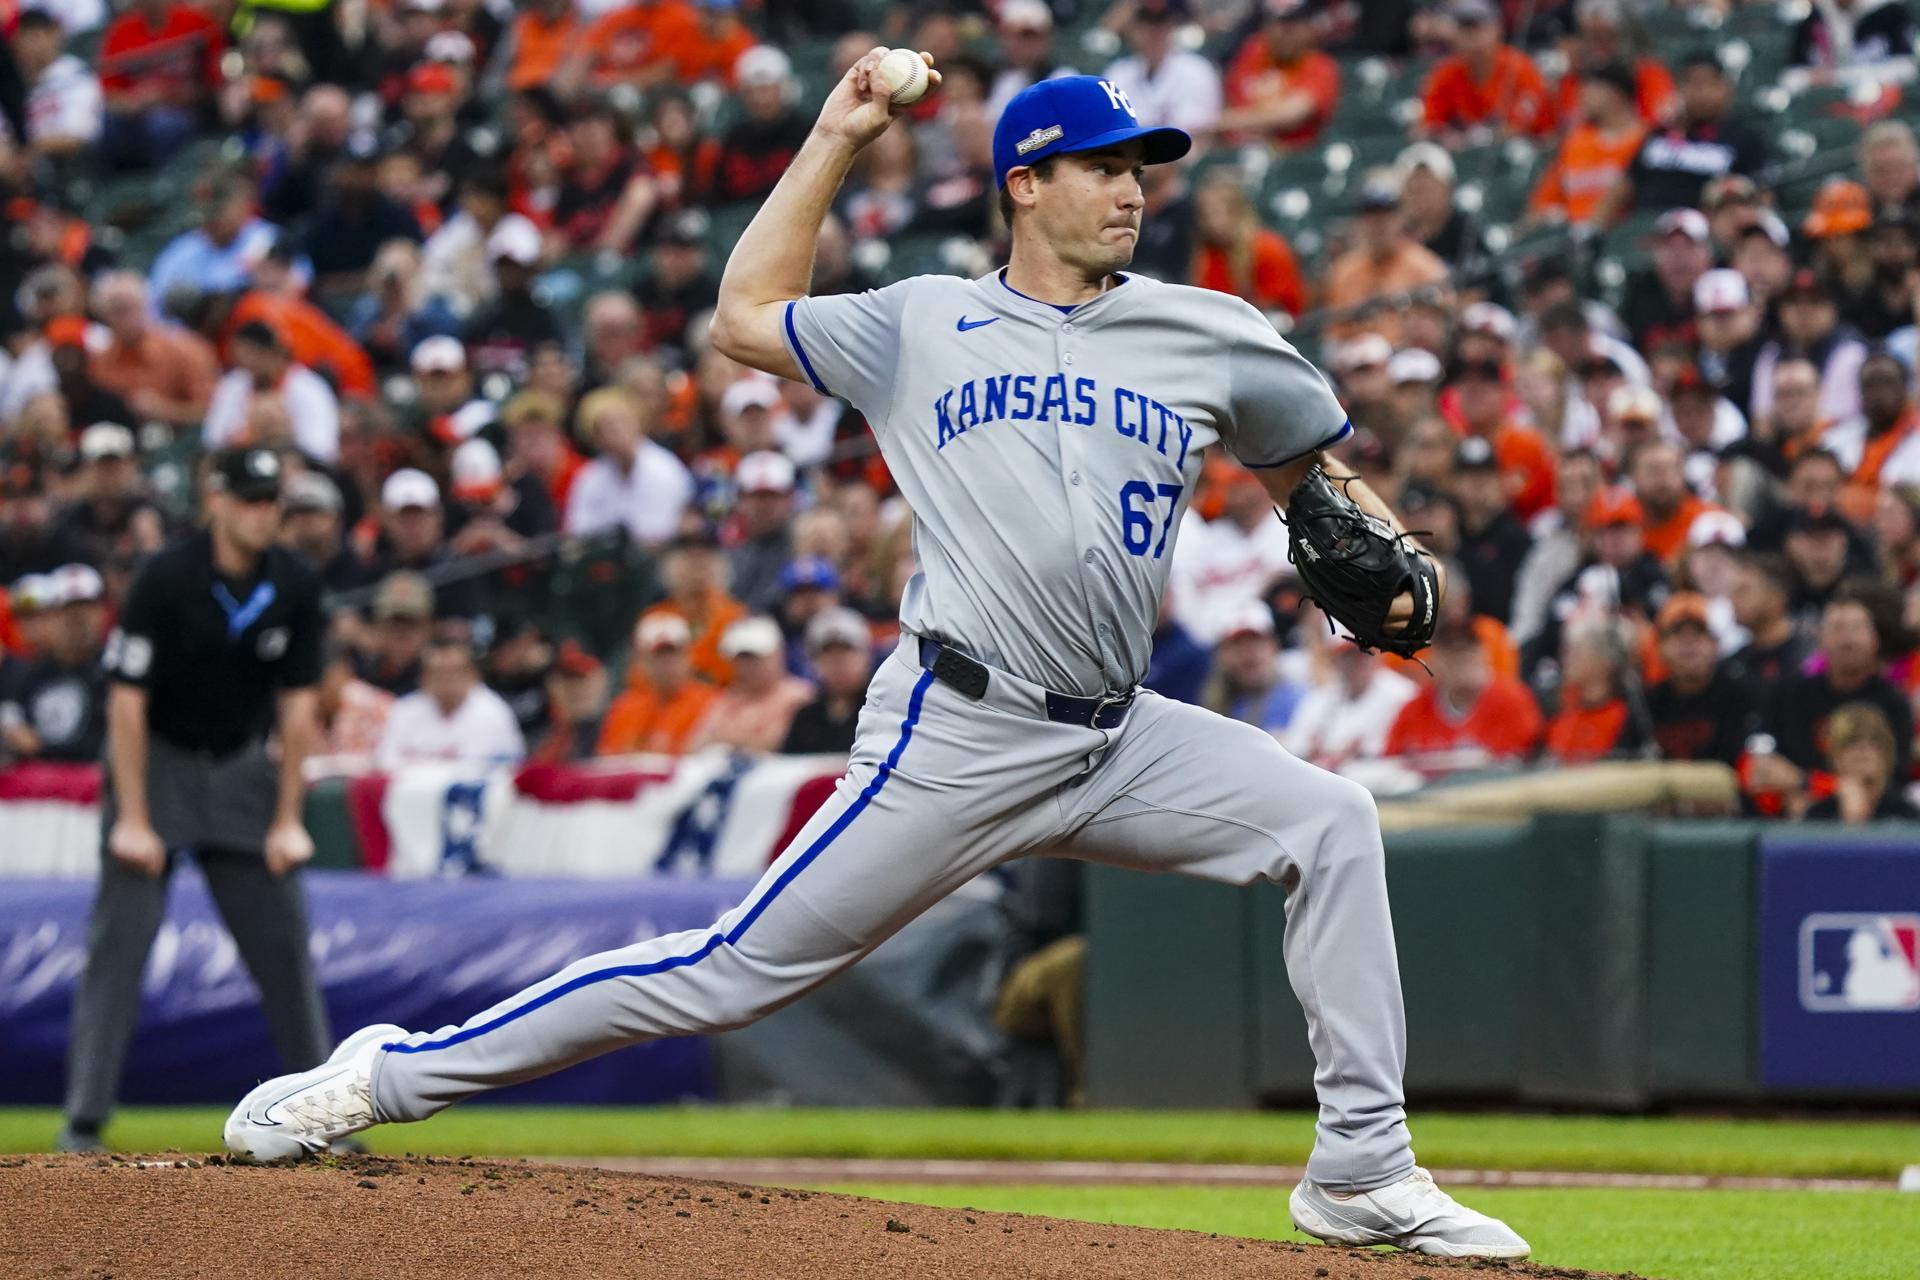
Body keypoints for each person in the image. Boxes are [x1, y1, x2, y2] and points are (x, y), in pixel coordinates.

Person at [224, 63, 1529, 1263]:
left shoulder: (1210, 331)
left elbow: (1316, 478)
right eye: (1105, 164)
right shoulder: (922, 321)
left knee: (1334, 820)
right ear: (1027, 181)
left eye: (1144, 168)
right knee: (728, 973)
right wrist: (840, 136)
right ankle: (385, 1076)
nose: (1133, 189)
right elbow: (745, 315)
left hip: (1119, 735)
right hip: (955, 733)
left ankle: (1362, 1165)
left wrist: (1371, 531)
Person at [65, 449, 332, 1153]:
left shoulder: (295, 584)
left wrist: (287, 820)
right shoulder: (166, 577)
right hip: (157, 761)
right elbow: (126, 704)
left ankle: (329, 1114)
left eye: (270, 499)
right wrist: (134, 818)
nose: (261, 512)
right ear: (215, 501)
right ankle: (83, 1120)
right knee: (118, 945)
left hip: (242, 766)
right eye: (247, 498)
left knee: (285, 947)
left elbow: (298, 708)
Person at [0, 563, 108, 763]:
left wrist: (40, 747)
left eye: (86, 609)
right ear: (51, 617)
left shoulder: (111, 672)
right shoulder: (28, 675)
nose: (78, 621)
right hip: (34, 789)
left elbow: (103, 743)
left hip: (92, 786)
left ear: (102, 612)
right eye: (69, 612)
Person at [563, 386, 696, 547]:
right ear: (595, 437)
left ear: (637, 423)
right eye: (605, 428)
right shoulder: (590, 476)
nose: (616, 432)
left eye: (621, 423)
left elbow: (660, 532)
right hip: (604, 560)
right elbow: (578, 530)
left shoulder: (664, 469)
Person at [374, 634, 526, 770]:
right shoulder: (405, 710)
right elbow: (385, 763)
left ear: (473, 674)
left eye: (454, 672)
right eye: (437, 672)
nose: (446, 680)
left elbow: (498, 769)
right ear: (423, 678)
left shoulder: (493, 712)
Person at [1418, 0, 1556, 143]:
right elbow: (1427, 126)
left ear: (1497, 29)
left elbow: (1525, 129)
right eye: (1465, 30)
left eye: (1478, 28)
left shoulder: (1520, 69)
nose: (1472, 37)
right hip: (1468, 155)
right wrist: (1443, 136)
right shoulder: (1445, 72)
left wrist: (1471, 139)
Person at [1216, 0, 1339, 150]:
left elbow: (1290, 116)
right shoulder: (1254, 51)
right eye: (1278, 25)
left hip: (1290, 158)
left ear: (1308, 28)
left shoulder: (1320, 66)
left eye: (1291, 27)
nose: (1284, 34)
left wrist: (1218, 122)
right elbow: (1230, 98)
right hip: (1237, 151)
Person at [597, 612, 720, 758]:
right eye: (658, 657)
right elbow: (607, 758)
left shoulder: (712, 704)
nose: (667, 665)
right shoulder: (624, 706)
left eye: (674, 655)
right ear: (641, 660)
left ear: (689, 657)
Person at [684, 615, 814, 753]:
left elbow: (777, 744)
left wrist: (723, 740)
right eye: (741, 659)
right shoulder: (727, 699)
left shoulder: (798, 696)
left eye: (755, 658)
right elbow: (692, 747)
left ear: (778, 654)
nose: (747, 666)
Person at [1645, 593, 1748, 765]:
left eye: (1699, 633)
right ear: (1661, 647)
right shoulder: (1649, 703)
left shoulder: (1740, 695)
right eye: (1677, 634)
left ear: (1716, 645)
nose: (1688, 642)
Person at [1283, 636, 1417, 769]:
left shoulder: (1401, 693)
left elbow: (1391, 754)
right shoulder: (1321, 696)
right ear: (1335, 661)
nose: (1358, 662)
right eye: (1350, 655)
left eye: (1365, 653)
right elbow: (1295, 747)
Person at [779, 607, 875, 754]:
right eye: (828, 656)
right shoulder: (806, 717)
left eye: (846, 654)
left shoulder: (884, 712)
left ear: (866, 656)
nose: (838, 665)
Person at [1802, 701, 1920, 821]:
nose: (1863, 748)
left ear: (1886, 754)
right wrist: (1851, 816)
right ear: (1835, 756)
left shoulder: (1906, 814)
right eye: (1852, 741)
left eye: (1874, 740)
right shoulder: (1817, 815)